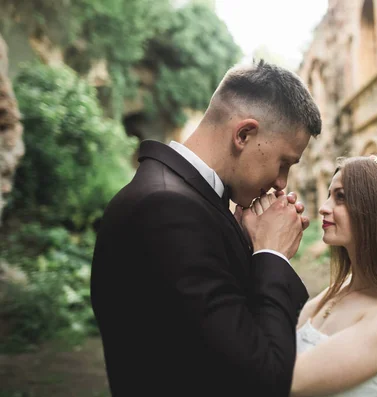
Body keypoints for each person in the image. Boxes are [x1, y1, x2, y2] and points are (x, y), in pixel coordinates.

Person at [90, 60, 321, 396]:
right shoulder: (168, 210)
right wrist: (272, 255)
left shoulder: (184, 201)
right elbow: (263, 377)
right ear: (243, 134)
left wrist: (249, 248)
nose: (281, 183)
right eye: (284, 163)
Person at [251, 155, 377, 397]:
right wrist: (255, 243)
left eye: (340, 197)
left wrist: (270, 252)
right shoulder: (342, 289)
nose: (324, 207)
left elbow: (278, 379)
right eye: (330, 194)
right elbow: (264, 340)